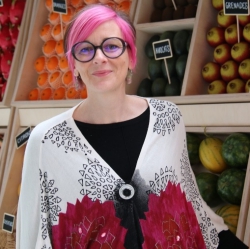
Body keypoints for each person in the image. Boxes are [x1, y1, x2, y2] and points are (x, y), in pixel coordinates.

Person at [16, 4, 248, 249]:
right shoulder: (47, 140)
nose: (99, 57)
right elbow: (33, 234)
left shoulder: (167, 120)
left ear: (131, 56)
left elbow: (190, 205)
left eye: (112, 46)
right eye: (85, 49)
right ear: (73, 63)